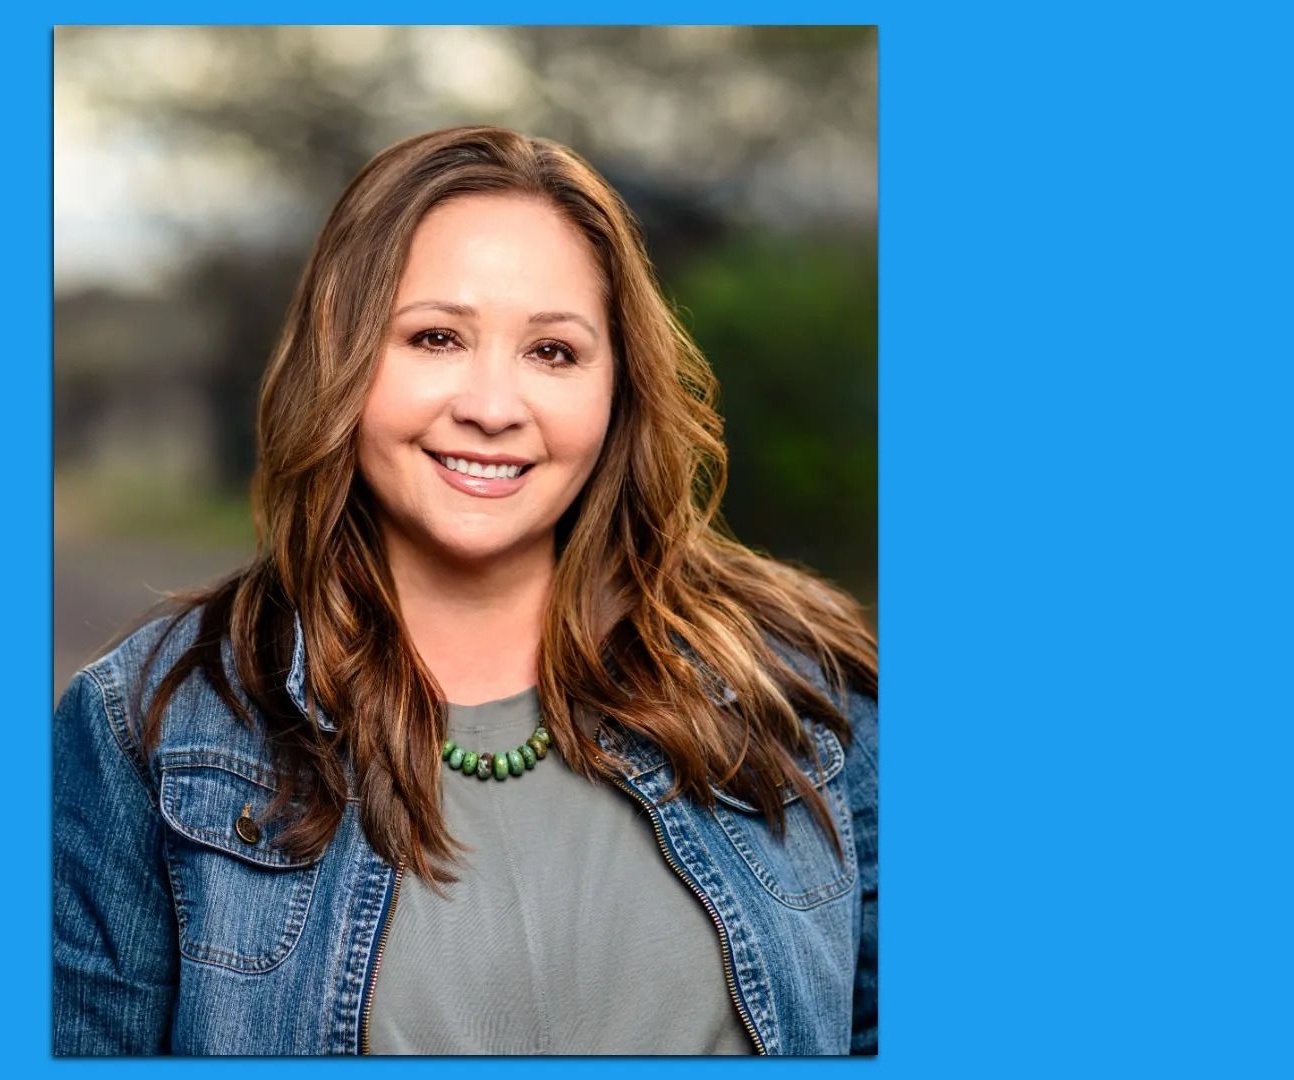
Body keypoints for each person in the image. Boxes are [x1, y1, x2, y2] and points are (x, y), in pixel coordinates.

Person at [53, 125, 878, 1056]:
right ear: (345, 358)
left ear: (619, 387)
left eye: (553, 352)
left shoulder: (809, 688)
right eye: (436, 337)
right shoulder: (150, 724)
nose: (492, 406)